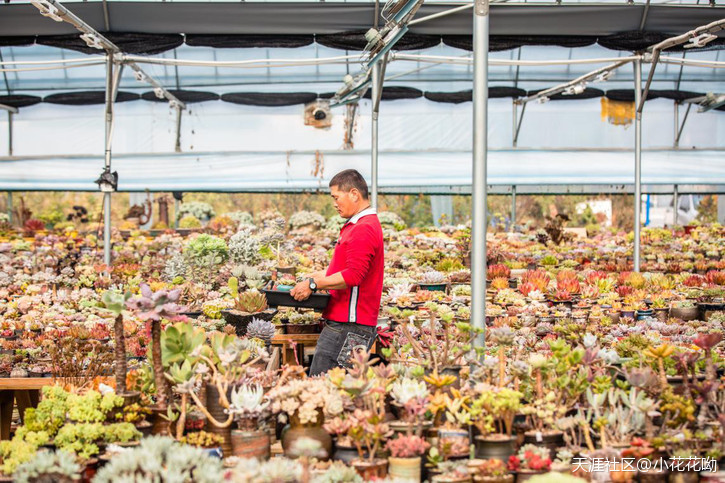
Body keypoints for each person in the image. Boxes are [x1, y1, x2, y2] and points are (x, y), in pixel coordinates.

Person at [290, 169, 384, 376]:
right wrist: (320, 275)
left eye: (336, 197)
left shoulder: (363, 228)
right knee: (335, 385)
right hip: (346, 324)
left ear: (354, 194)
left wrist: (313, 285)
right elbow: (351, 268)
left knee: (325, 384)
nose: (334, 203)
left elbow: (353, 276)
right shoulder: (358, 225)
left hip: (349, 325)